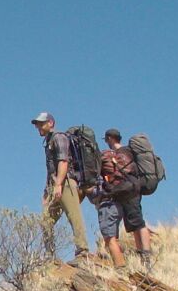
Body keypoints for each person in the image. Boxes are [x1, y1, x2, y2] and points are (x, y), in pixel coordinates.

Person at [31, 112, 90, 260]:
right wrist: (47, 191)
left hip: (66, 183)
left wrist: (58, 184)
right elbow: (51, 168)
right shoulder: (49, 142)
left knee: (74, 216)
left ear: (50, 123)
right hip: (55, 185)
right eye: (37, 124)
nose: (39, 126)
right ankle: (50, 256)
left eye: (41, 123)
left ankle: (82, 251)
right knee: (46, 221)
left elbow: (63, 161)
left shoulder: (59, 137)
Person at [103, 128, 152, 267]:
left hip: (129, 191)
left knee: (139, 223)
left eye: (106, 139)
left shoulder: (121, 153)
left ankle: (146, 254)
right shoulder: (127, 151)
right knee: (134, 224)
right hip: (131, 190)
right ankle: (141, 253)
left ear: (109, 138)